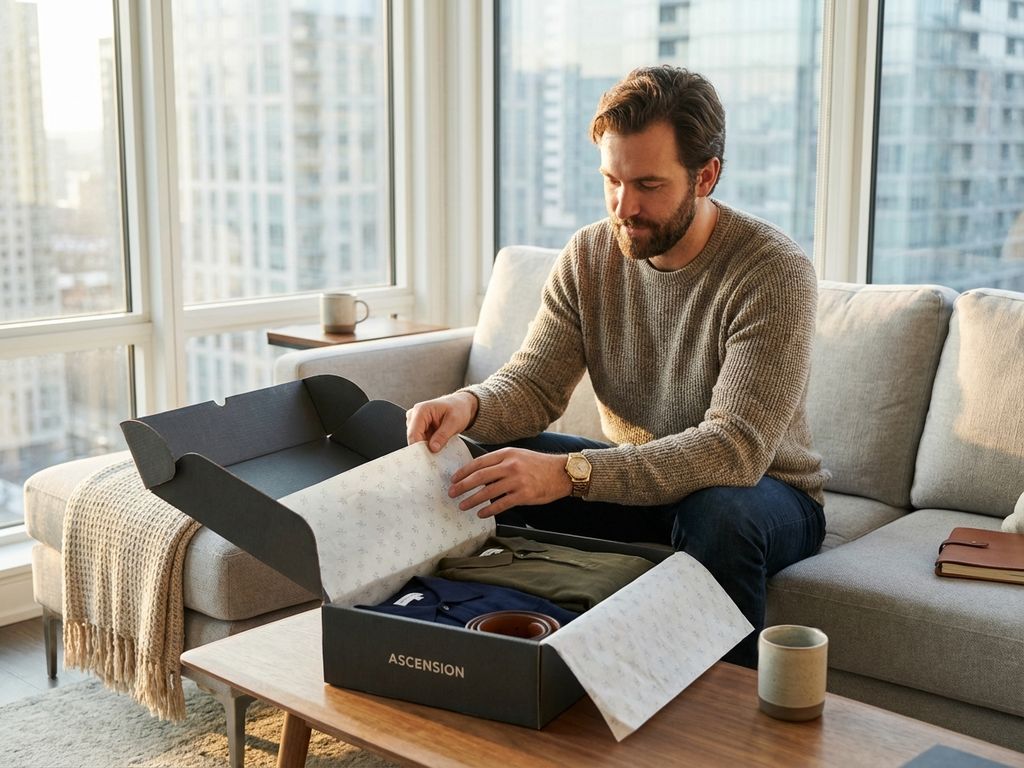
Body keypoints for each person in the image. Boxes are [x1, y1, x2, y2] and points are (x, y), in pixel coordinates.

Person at [405, 65, 829, 667]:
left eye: (648, 185)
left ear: (706, 175)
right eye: (612, 180)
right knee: (486, 461)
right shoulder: (589, 254)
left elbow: (733, 449)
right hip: (641, 483)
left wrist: (569, 474)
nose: (623, 207)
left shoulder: (771, 270)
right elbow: (533, 385)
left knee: (719, 514)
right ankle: (479, 655)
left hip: (763, 494)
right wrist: (466, 405)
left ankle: (721, 713)